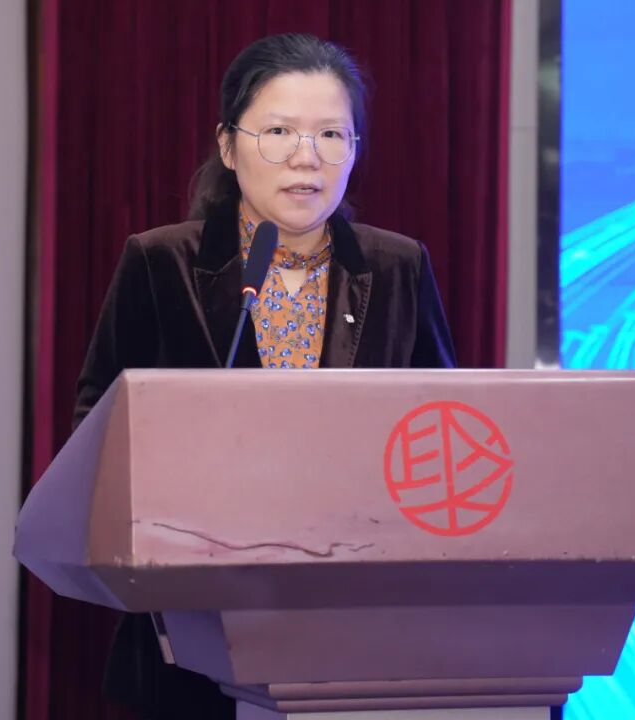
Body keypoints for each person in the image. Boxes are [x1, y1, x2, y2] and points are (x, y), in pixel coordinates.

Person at [72, 32, 456, 720]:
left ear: (354, 150)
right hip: (194, 627)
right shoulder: (162, 262)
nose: (306, 157)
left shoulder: (399, 267)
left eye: (331, 134)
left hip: (360, 626)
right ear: (229, 146)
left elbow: (441, 429)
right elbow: (98, 427)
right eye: (279, 132)